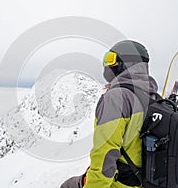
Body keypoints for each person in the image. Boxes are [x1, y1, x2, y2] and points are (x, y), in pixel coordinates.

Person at [60, 40, 158, 188]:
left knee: (68, 186)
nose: (106, 65)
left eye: (110, 59)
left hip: (122, 183)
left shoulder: (117, 97)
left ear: (125, 63)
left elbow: (105, 154)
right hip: (148, 180)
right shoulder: (153, 96)